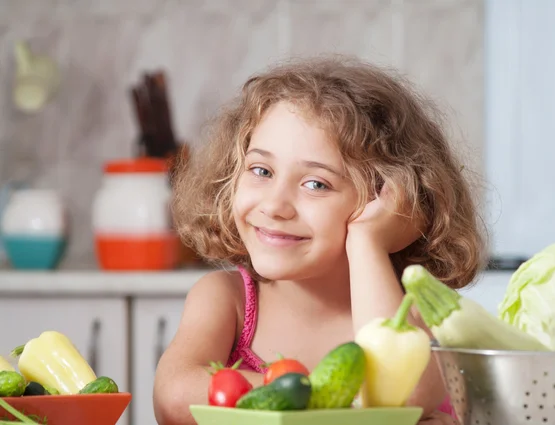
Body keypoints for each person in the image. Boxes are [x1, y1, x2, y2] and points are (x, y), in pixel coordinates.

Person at [153, 55, 485, 425]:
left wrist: (366, 240)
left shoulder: (415, 308)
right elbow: (174, 395)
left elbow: (408, 396)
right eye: (261, 170)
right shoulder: (226, 298)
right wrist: (328, 401)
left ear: (387, 201)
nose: (276, 206)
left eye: (316, 184)